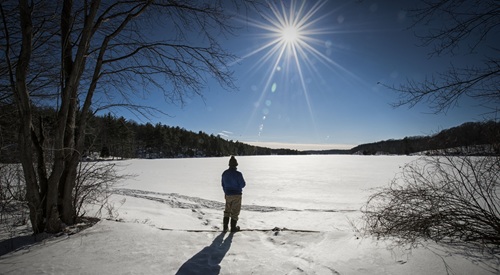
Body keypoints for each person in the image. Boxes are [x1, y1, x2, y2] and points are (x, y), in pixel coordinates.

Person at [221, 156, 246, 232]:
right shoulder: (238, 174)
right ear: (236, 165)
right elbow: (243, 184)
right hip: (237, 195)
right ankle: (233, 228)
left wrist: (226, 192)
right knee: (235, 211)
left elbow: (223, 184)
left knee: (227, 210)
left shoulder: (225, 173)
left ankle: (225, 228)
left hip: (228, 194)